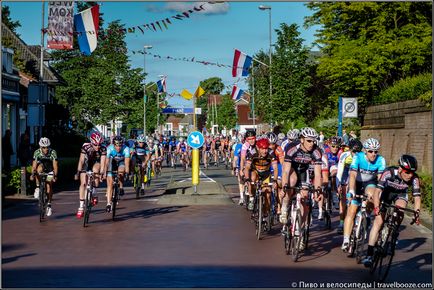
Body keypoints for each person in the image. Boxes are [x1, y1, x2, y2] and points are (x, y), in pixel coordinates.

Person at [361, 154, 421, 267]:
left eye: (412, 172)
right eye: (407, 172)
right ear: (400, 169)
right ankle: (369, 255)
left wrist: (417, 213)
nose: (410, 175)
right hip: (385, 194)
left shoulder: (414, 178)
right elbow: (377, 192)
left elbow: (417, 197)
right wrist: (377, 207)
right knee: (378, 223)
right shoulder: (389, 172)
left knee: (401, 209)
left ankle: (394, 231)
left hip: (400, 195)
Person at [281, 127, 323, 251]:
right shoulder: (292, 148)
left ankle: (300, 229)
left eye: (314, 141)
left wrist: (318, 190)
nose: (312, 144)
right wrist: (284, 186)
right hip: (292, 169)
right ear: (302, 139)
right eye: (309, 141)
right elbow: (286, 171)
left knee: (305, 198)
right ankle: (285, 206)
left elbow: (318, 173)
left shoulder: (317, 152)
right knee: (292, 181)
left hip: (304, 172)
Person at [341, 138, 386, 252]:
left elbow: (381, 180)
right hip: (356, 182)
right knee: (351, 210)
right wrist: (351, 190)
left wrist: (379, 195)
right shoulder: (358, 157)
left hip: (369, 182)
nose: (373, 154)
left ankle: (366, 216)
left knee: (372, 195)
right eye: (371, 151)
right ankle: (346, 239)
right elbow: (352, 175)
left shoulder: (380, 160)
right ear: (365, 150)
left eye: (376, 151)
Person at [74, 132, 107, 218]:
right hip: (87, 162)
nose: (97, 147)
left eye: (99, 145)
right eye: (95, 145)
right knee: (83, 183)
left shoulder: (103, 148)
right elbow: (81, 160)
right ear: (91, 142)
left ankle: (95, 194)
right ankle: (81, 207)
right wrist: (78, 171)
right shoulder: (85, 147)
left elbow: (103, 163)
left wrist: (102, 173)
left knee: (96, 170)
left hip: (97, 162)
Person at [244, 137, 278, 215]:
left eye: (266, 148)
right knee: (251, 178)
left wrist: (275, 180)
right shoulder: (252, 153)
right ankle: (252, 198)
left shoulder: (271, 153)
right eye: (262, 149)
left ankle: (265, 213)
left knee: (268, 193)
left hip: (266, 174)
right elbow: (247, 168)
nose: (265, 151)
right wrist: (247, 179)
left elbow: (275, 168)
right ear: (258, 148)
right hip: (255, 172)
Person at [335, 138, 363, 233]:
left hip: (357, 174)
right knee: (343, 197)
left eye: (358, 151)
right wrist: (338, 185)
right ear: (350, 149)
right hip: (346, 173)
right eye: (354, 151)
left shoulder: (362, 157)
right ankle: (341, 222)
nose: (356, 153)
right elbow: (340, 171)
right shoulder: (345, 155)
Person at [30, 137, 58, 217]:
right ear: (40, 147)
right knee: (38, 170)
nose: (46, 149)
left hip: (49, 168)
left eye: (47, 147)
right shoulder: (37, 152)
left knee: (49, 186)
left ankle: (49, 205)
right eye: (43, 147)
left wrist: (55, 176)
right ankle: (38, 187)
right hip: (41, 166)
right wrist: (32, 174)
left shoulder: (53, 152)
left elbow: (55, 166)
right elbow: (34, 166)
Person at [104, 136, 131, 212]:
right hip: (112, 162)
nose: (118, 148)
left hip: (121, 162)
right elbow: (106, 162)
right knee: (110, 184)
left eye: (120, 146)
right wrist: (105, 172)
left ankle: (121, 187)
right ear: (113, 145)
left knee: (121, 172)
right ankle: (108, 204)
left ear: (122, 145)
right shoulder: (109, 148)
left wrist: (127, 173)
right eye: (116, 146)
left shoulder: (126, 149)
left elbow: (126, 162)